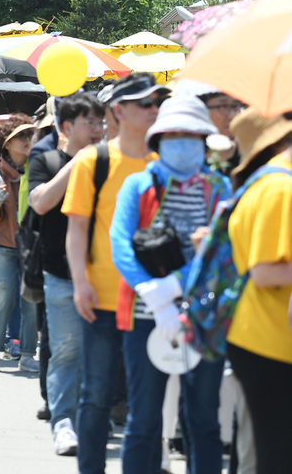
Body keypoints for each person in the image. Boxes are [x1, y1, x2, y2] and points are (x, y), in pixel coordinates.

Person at [108, 94, 230, 474]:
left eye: (191, 135)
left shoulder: (219, 189)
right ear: (158, 141)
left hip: (204, 316)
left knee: (203, 420)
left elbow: (224, 253)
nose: (182, 142)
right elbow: (120, 241)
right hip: (146, 316)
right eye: (174, 135)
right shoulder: (138, 184)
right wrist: (152, 294)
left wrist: (174, 286)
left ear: (204, 141)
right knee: (143, 419)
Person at [61, 74, 169, 474]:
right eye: (145, 104)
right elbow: (77, 229)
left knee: (148, 398)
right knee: (96, 395)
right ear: (120, 111)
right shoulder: (95, 160)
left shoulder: (165, 164)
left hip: (152, 299)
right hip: (102, 298)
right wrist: (80, 283)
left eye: (157, 103)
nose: (154, 110)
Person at [28, 93, 106, 456]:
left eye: (99, 122)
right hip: (59, 271)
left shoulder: (110, 161)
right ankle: (64, 421)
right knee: (66, 349)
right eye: (89, 123)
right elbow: (40, 202)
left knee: (102, 352)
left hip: (106, 273)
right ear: (66, 127)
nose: (97, 129)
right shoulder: (47, 159)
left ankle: (92, 413)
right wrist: (78, 164)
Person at [224, 109, 292, 474]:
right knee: (274, 460)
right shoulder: (281, 189)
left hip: (264, 340)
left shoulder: (268, 184)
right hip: (269, 344)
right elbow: (265, 273)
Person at [0, 114, 39, 373]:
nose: (28, 141)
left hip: (31, 247)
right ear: (6, 144)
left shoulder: (38, 169)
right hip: (2, 246)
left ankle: (27, 355)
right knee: (1, 297)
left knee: (31, 301)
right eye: (21, 137)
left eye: (29, 135)